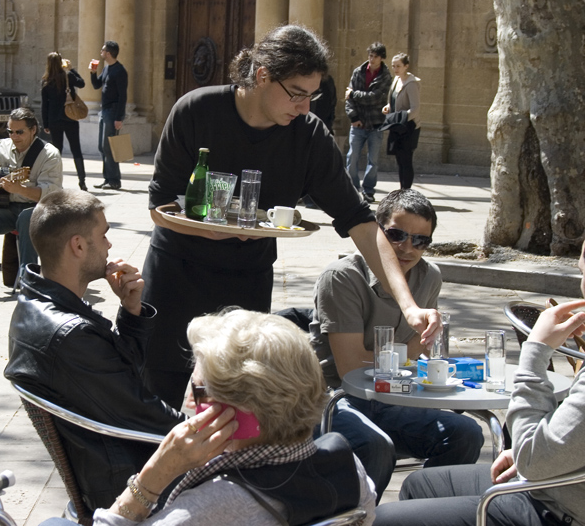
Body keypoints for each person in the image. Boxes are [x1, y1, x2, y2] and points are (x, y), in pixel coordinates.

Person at [142, 24, 440, 409]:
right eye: (297, 95)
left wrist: (409, 306)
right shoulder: (196, 110)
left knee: (234, 407)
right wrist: (215, 232)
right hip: (175, 281)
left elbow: (362, 224)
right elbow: (159, 206)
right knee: (160, 407)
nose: (305, 108)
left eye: (311, 97)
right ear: (263, 74)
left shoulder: (309, 136)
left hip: (247, 283)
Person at [375, 208, 585, 526]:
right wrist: (530, 454)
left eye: (582, 273)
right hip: (563, 482)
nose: (580, 285)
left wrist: (536, 351)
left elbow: (533, 459)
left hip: (560, 509)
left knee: (388, 518)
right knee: (422, 484)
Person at [39, 309, 377, 526]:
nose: (187, 399)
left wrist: (151, 479)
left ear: (246, 415)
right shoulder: (350, 468)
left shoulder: (210, 508)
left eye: (199, 391)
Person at [5, 190, 184, 510]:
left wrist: (131, 310)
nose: (109, 246)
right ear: (78, 245)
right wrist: (224, 436)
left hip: (114, 464)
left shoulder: (34, 302)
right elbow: (150, 414)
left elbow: (123, 379)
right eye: (103, 235)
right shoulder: (70, 335)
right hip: (132, 485)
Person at [311, 189, 483, 499]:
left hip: (392, 396)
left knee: (466, 433)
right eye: (396, 235)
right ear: (377, 232)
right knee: (375, 446)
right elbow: (351, 368)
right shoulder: (343, 277)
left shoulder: (429, 276)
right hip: (335, 398)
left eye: (420, 240)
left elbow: (426, 352)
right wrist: (414, 348)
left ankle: (414, 514)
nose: (407, 248)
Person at [0, 107, 63, 296]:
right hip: (7, 208)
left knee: (28, 217)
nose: (14, 136)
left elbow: (51, 194)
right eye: (10, 131)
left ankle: (29, 282)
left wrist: (20, 189)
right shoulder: (1, 146)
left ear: (33, 130)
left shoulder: (49, 154)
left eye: (20, 132)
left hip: (39, 210)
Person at [345, 42, 391, 203]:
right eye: (370, 55)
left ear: (381, 58)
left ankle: (369, 190)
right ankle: (352, 188)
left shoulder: (385, 75)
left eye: (375, 56)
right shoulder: (358, 72)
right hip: (358, 123)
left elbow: (376, 97)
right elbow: (348, 101)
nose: (371, 59)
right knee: (352, 157)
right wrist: (353, 117)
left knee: (373, 160)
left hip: (376, 124)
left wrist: (353, 95)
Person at [41, 51, 87, 191]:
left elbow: (45, 105)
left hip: (55, 120)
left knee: (57, 151)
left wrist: (46, 124)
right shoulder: (68, 76)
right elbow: (82, 83)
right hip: (70, 118)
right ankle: (82, 181)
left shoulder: (46, 81)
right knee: (76, 149)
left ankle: (56, 181)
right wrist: (71, 68)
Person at [88, 40, 127, 190]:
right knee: (102, 146)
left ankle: (114, 180)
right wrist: (93, 72)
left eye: (103, 50)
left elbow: (123, 96)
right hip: (104, 112)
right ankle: (107, 179)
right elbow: (97, 85)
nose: (101, 52)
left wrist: (119, 118)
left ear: (109, 53)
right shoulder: (106, 69)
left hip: (113, 112)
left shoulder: (120, 71)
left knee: (109, 147)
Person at [381, 53, 421, 190]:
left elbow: (415, 109)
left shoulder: (411, 83)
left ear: (406, 66)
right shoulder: (396, 80)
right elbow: (393, 100)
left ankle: (406, 190)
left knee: (406, 160)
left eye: (398, 66)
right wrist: (388, 107)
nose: (395, 69)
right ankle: (402, 189)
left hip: (408, 126)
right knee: (399, 159)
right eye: (393, 66)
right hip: (397, 125)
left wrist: (401, 119)